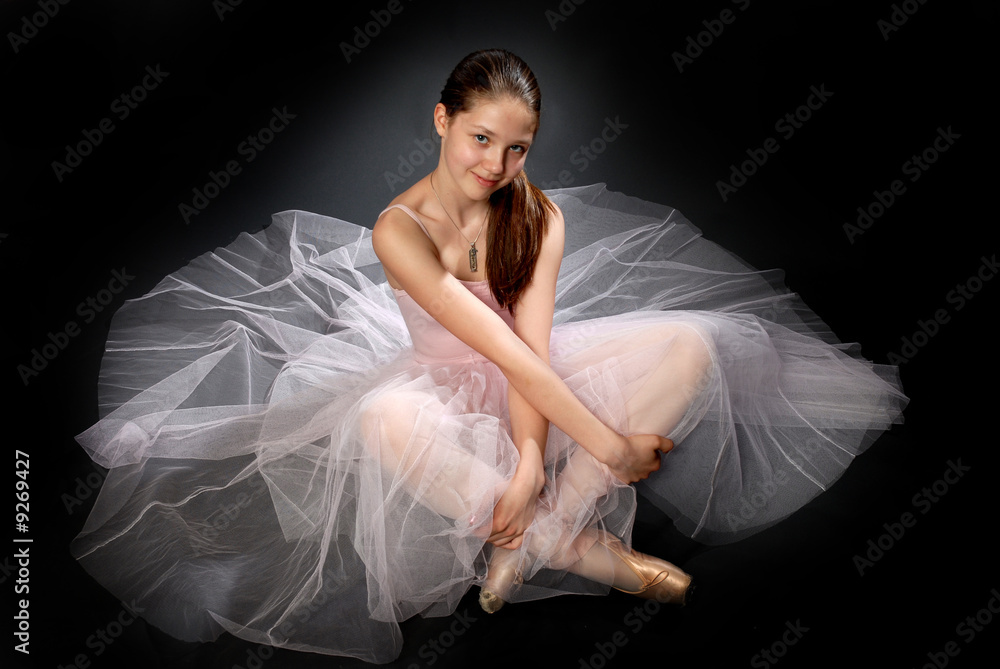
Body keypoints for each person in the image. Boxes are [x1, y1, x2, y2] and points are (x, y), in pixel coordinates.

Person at [72, 49, 907, 663]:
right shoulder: (400, 232)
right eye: (480, 139)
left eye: (517, 148)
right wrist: (613, 446)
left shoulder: (537, 216)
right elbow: (494, 351)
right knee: (381, 415)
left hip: (528, 376)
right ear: (441, 121)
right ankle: (583, 552)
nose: (496, 166)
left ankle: (544, 531)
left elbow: (531, 355)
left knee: (693, 340)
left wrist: (536, 454)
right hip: (438, 381)